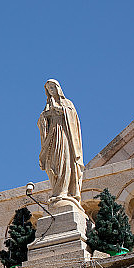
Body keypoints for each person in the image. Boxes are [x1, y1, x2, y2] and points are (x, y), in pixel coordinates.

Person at [37, 79, 85, 209]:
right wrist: (44, 116)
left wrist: (60, 110)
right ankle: (57, 191)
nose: (51, 90)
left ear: (58, 88)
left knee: (65, 162)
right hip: (52, 136)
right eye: (48, 89)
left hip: (64, 135)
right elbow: (42, 122)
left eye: (53, 87)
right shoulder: (47, 106)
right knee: (52, 164)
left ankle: (64, 192)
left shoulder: (67, 103)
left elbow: (72, 118)